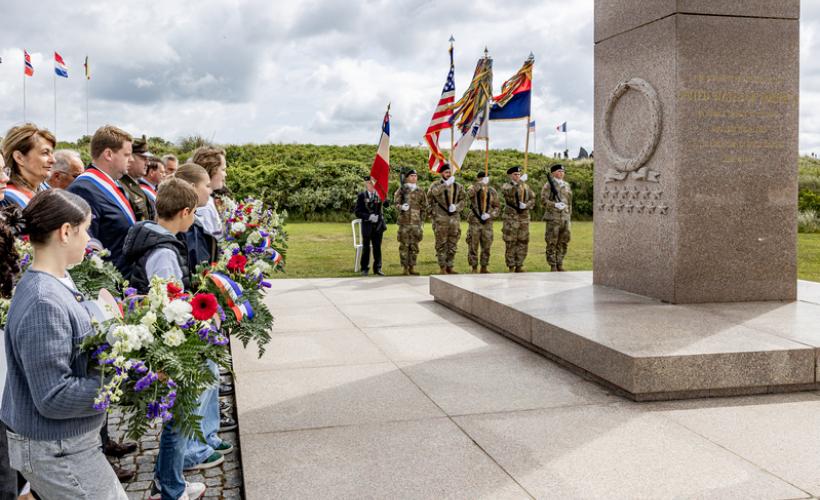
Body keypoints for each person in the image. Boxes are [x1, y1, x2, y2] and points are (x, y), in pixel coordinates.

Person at [0, 189, 128, 499]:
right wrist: (124, 382)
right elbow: (53, 396)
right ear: (66, 232)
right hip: (57, 450)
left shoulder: (56, 281)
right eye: (86, 229)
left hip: (66, 445)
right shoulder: (44, 300)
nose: (89, 239)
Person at [121, 179, 208, 500]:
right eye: (194, 213)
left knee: (177, 416)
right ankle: (171, 489)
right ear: (185, 212)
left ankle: (166, 479)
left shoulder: (155, 238)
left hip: (161, 338)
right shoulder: (163, 250)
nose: (194, 220)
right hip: (165, 343)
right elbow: (167, 300)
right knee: (179, 418)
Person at [173, 164, 234, 473]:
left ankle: (207, 435)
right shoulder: (182, 231)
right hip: (192, 311)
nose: (211, 190)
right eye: (207, 185)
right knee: (197, 383)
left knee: (208, 378)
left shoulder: (194, 224)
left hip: (204, 310)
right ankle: (194, 449)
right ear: (191, 188)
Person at [68, 125, 136, 275]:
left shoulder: (114, 184)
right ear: (109, 154)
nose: (131, 159)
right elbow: (85, 247)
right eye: (126, 155)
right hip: (107, 288)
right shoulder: (84, 189)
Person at [0, 124, 55, 208]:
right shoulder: (6, 199)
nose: (53, 160)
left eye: (52, 153)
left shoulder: (45, 188)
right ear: (19, 157)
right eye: (45, 153)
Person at [427, 163, 465, 274]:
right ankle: (442, 267)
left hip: (454, 220)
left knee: (453, 244)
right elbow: (433, 194)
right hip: (440, 219)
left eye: (450, 172)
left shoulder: (458, 186)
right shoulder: (435, 185)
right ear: (442, 173)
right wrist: (446, 184)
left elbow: (463, 201)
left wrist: (456, 207)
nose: (449, 174)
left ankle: (450, 266)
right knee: (441, 244)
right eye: (446, 172)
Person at [501, 166, 535, 272]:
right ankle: (511, 265)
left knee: (523, 241)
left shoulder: (525, 187)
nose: (518, 176)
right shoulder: (507, 186)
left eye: (519, 174)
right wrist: (520, 183)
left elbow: (533, 198)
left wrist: (526, 205)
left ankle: (519, 265)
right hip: (511, 219)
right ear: (510, 175)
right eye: (515, 174)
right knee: (511, 241)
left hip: (523, 218)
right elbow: (509, 193)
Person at [393, 169, 426, 276]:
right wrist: (401, 206)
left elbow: (424, 207)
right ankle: (405, 268)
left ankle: (412, 267)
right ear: (407, 177)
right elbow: (396, 203)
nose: (414, 177)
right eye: (411, 175)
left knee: (414, 246)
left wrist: (422, 221)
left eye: (415, 176)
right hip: (404, 222)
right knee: (404, 245)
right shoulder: (401, 190)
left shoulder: (420, 191)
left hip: (416, 223)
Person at [466, 172, 500, 273]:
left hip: (487, 222)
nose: (484, 180)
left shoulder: (492, 191)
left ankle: (484, 267)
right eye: (481, 178)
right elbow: (469, 195)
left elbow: (497, 207)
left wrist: (491, 215)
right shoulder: (473, 188)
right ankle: (474, 267)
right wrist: (480, 184)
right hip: (475, 221)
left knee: (487, 245)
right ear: (478, 179)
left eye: (485, 178)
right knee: (473, 245)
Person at [190, 147, 227, 237]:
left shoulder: (207, 199)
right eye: (223, 169)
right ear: (212, 170)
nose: (225, 174)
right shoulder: (203, 206)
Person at [542, 164, 573, 272]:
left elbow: (569, 202)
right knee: (552, 241)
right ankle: (553, 265)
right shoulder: (548, 185)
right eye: (559, 171)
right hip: (553, 217)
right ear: (553, 173)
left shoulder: (566, 185)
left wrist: (569, 215)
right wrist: (554, 205)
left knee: (563, 241)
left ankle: (560, 263)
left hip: (565, 217)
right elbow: (543, 201)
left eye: (563, 171)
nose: (561, 173)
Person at [354, 176, 387, 276]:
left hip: (378, 225)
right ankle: (364, 268)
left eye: (373, 183)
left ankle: (378, 268)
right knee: (366, 247)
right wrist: (369, 216)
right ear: (366, 184)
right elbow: (357, 212)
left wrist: (383, 194)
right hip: (367, 225)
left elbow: (387, 205)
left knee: (377, 247)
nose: (371, 185)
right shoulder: (362, 196)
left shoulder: (379, 194)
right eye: (369, 183)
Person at [120, 135, 156, 222]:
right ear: (130, 157)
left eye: (148, 159)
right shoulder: (120, 185)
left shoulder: (137, 185)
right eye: (143, 158)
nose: (148, 163)